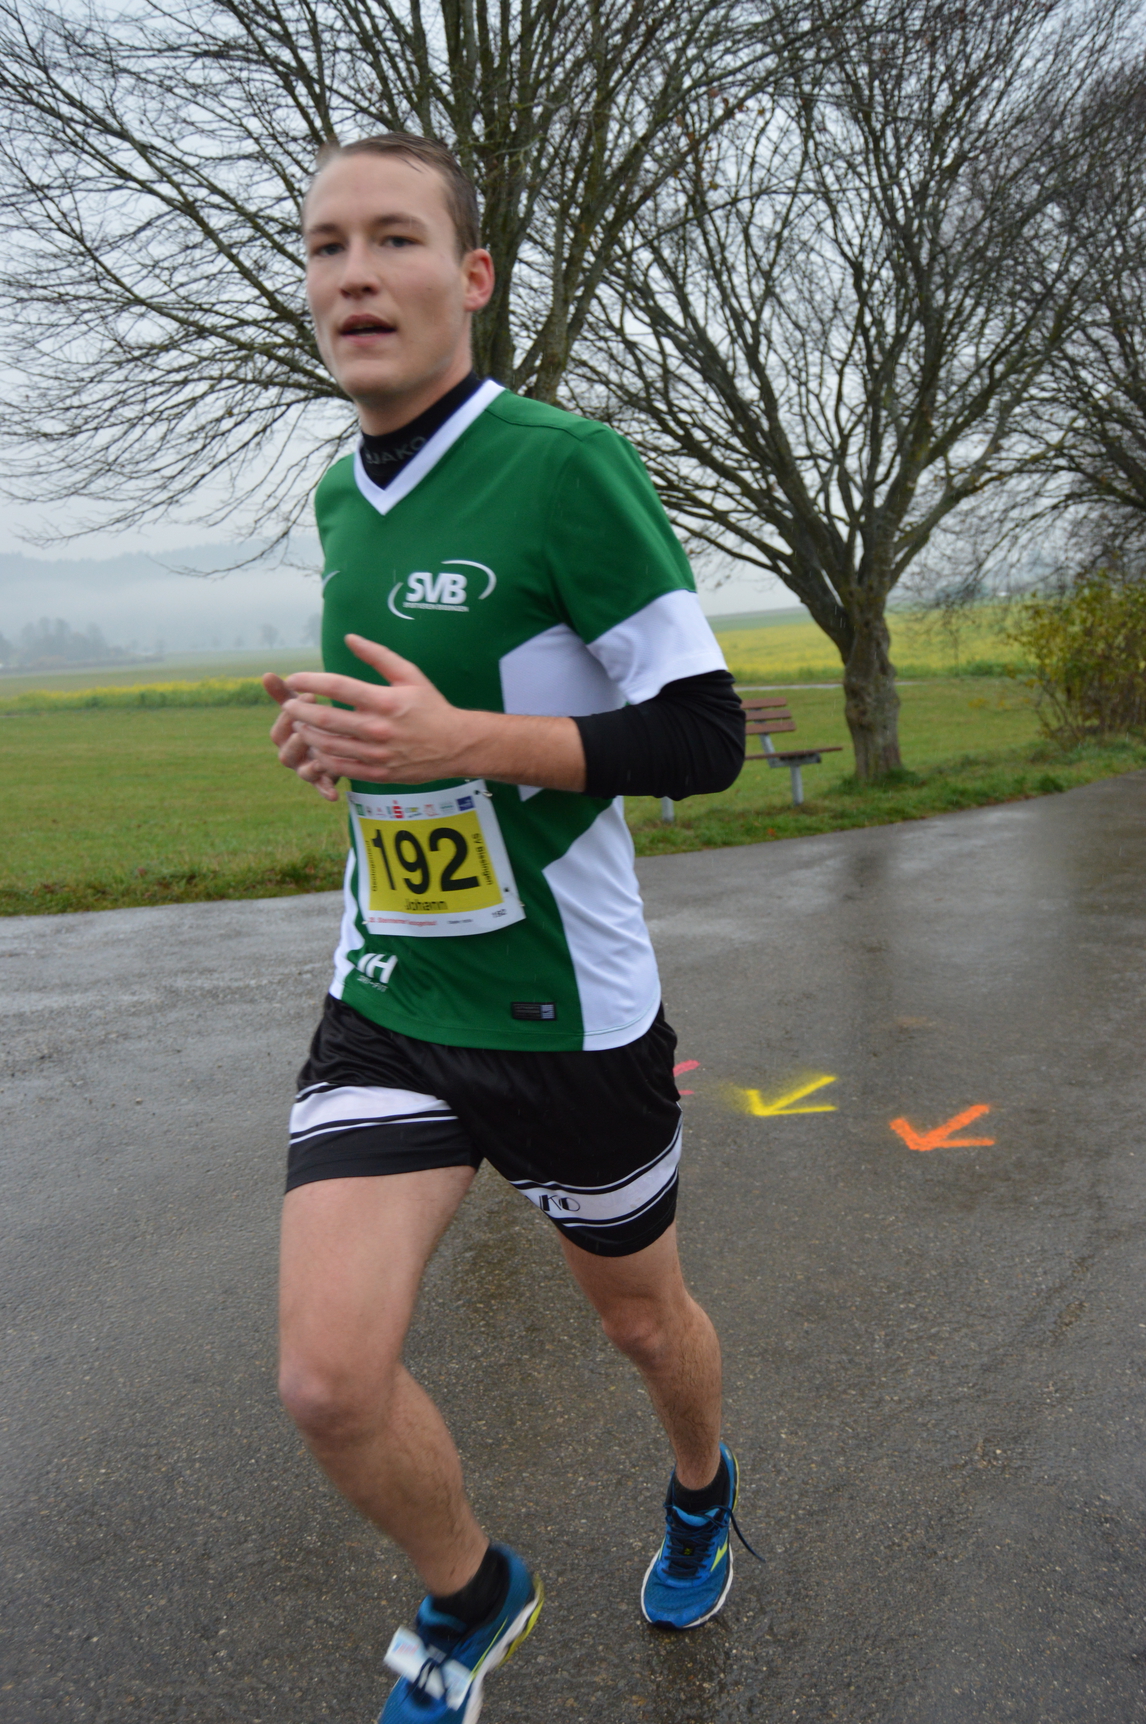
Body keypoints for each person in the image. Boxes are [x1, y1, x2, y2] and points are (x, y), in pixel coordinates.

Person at [264, 132, 752, 1724]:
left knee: (642, 1323)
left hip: (567, 1019)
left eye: (393, 239)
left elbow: (700, 736)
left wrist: (459, 743)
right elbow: (415, 728)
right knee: (325, 1380)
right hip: (393, 998)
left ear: (469, 277)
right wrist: (346, 744)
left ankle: (699, 1491)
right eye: (326, 245)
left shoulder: (563, 466)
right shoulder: (338, 493)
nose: (353, 274)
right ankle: (473, 1594)